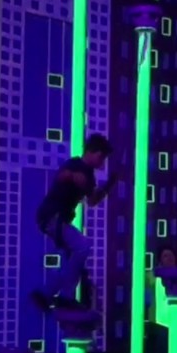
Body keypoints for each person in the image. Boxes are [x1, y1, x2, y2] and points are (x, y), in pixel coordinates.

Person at [30, 134, 119, 312]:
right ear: (92, 151)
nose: (102, 162)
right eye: (101, 157)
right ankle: (65, 296)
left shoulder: (90, 177)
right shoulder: (75, 164)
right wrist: (72, 175)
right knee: (83, 247)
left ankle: (46, 294)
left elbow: (92, 201)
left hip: (58, 219)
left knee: (73, 261)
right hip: (52, 216)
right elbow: (61, 176)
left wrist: (108, 186)